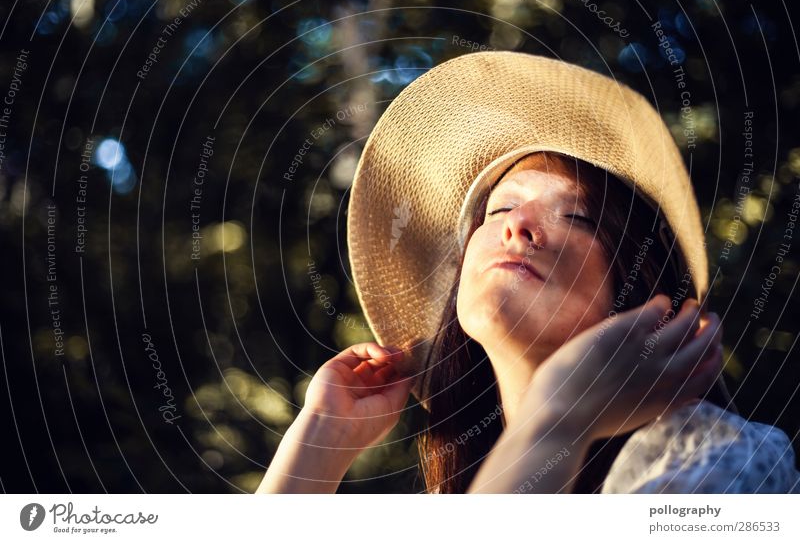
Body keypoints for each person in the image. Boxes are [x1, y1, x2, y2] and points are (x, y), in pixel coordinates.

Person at [256, 52, 800, 494]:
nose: (518, 226)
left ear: (642, 294)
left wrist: (557, 419)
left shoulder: (719, 464)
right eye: (498, 209)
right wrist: (320, 441)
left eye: (578, 217)